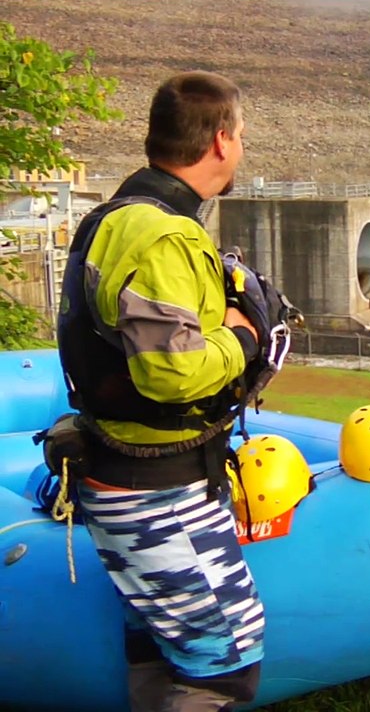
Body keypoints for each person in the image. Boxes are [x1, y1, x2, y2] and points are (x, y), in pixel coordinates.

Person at [55, 71, 266, 710]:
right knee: (223, 665)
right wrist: (245, 339)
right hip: (155, 491)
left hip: (125, 473)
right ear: (223, 142)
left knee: (160, 645)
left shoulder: (119, 214)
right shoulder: (162, 235)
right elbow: (170, 374)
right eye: (242, 138)